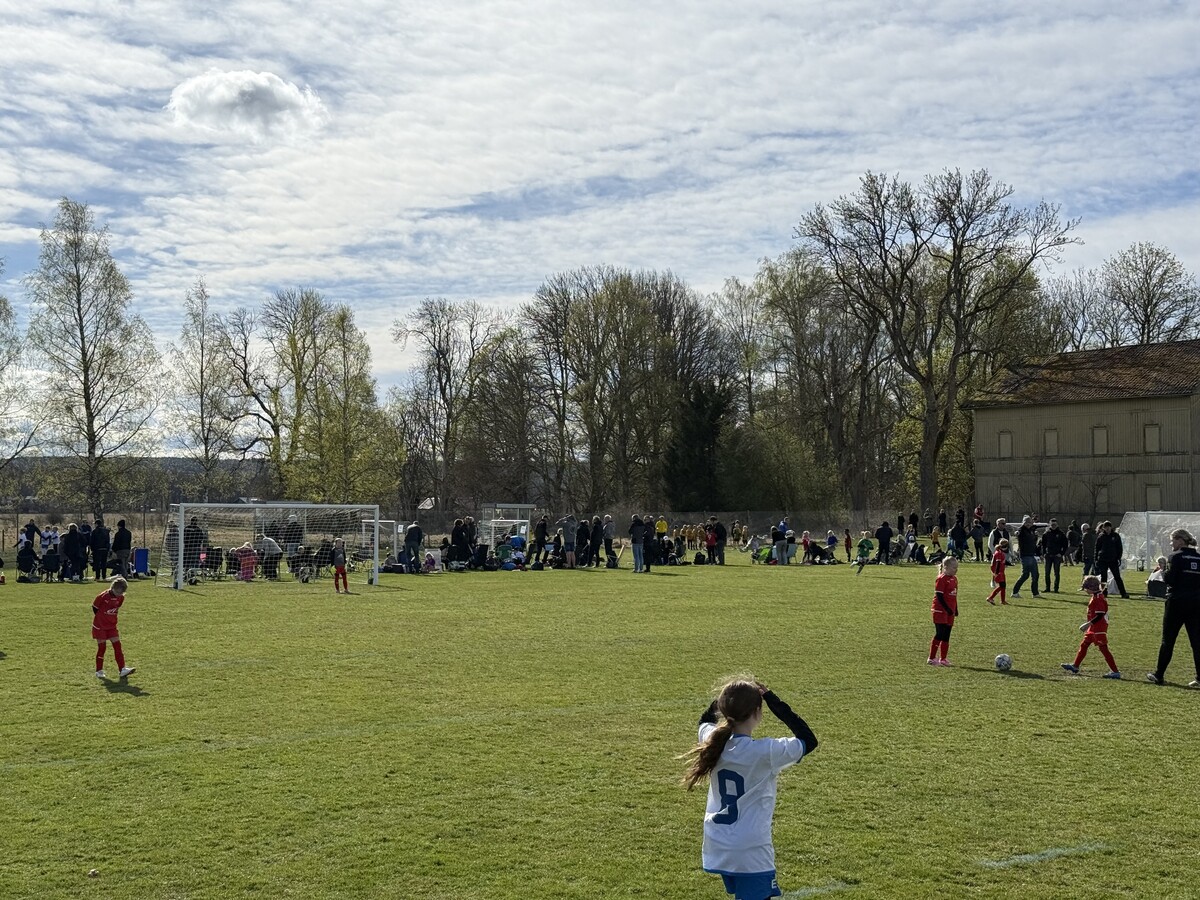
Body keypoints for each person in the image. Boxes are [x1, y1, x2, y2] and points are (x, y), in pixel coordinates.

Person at [683, 677, 818, 900]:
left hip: (718, 842)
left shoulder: (712, 740)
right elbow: (808, 740)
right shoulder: (765, 752)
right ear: (757, 712)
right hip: (750, 849)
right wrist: (772, 699)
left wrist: (727, 699)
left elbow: (704, 721)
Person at [1146, 528, 1200, 688]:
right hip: (1196, 603)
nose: (1171, 544)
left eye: (1172, 541)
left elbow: (1170, 580)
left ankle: (1159, 674)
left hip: (1176, 602)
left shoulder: (1175, 557)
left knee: (1168, 640)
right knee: (1196, 641)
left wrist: (1163, 571)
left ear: (1180, 540)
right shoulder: (1198, 558)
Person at [1061, 575, 1121, 678]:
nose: (1085, 591)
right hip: (1093, 628)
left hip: (1098, 628)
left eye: (1085, 588)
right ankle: (1075, 665)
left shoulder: (1098, 598)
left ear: (1090, 588)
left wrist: (1087, 624)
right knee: (1084, 645)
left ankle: (1115, 671)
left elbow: (1100, 615)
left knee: (1104, 649)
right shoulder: (1096, 596)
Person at [92, 576, 135, 680]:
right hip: (100, 626)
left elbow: (117, 607)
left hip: (112, 626)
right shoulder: (103, 596)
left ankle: (122, 669)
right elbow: (94, 607)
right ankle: (99, 670)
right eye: (118, 592)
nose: (119, 595)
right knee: (102, 648)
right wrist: (102, 618)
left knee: (117, 646)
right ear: (113, 588)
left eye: (121, 593)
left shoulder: (121, 598)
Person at [928, 556, 959, 666]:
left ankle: (943, 659)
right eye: (954, 567)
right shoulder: (941, 579)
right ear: (945, 567)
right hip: (940, 610)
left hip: (950, 611)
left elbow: (954, 596)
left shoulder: (954, 579)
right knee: (940, 633)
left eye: (957, 567)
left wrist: (955, 609)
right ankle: (931, 658)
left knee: (946, 635)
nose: (956, 570)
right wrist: (947, 609)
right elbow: (939, 596)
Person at [1094, 521, 1130, 599]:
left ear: (1111, 527)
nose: (1107, 529)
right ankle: (1104, 593)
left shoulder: (1116, 536)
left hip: (1113, 559)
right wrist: (1096, 559)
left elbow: (1119, 547)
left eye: (1108, 527)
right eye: (1106, 527)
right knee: (1104, 577)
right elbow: (1097, 548)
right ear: (1103, 528)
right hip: (1103, 559)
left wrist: (1118, 558)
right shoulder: (1101, 536)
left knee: (1117, 577)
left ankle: (1123, 593)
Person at [1010, 516, 1041, 599]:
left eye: (1029, 522)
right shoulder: (1022, 530)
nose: (1028, 524)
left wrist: (1036, 536)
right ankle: (1015, 592)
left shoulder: (1031, 530)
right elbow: (1018, 533)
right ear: (1023, 523)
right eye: (1026, 522)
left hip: (1031, 555)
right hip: (1025, 555)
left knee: (1035, 575)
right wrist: (1016, 533)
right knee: (1025, 575)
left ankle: (1035, 593)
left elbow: (1033, 542)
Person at [1040, 519, 1068, 592]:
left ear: (1057, 525)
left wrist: (1061, 553)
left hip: (1057, 556)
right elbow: (1043, 545)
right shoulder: (1046, 534)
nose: (1053, 526)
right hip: (1048, 555)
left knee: (1057, 573)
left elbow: (1065, 545)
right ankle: (1047, 588)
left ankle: (1056, 589)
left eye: (1054, 525)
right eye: (1052, 525)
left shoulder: (1061, 534)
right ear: (1050, 525)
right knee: (1047, 572)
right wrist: (1044, 553)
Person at [986, 539, 1010, 605]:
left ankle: (1003, 601)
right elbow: (998, 563)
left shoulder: (1000, 552)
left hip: (1001, 571)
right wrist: (996, 573)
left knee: (1003, 586)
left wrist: (1008, 563)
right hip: (999, 571)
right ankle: (990, 597)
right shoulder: (999, 553)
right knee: (1002, 585)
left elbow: (1002, 561)